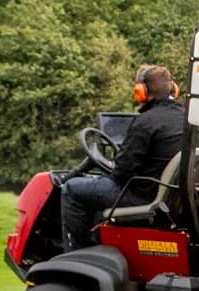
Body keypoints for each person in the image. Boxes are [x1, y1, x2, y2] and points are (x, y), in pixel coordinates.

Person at [60, 65, 188, 249]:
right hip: (169, 198)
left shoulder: (146, 122)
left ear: (141, 91)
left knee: (71, 188)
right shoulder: (187, 120)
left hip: (141, 197)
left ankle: (75, 255)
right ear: (173, 89)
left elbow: (122, 172)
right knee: (96, 188)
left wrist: (113, 165)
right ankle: (98, 242)